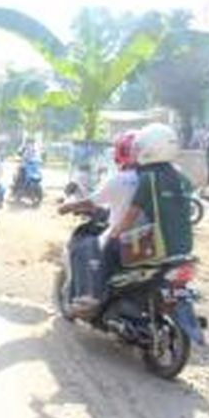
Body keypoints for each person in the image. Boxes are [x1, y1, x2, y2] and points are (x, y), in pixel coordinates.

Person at [58, 130, 140, 315]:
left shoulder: (121, 179)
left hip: (121, 234)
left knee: (82, 247)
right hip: (148, 236)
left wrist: (67, 207)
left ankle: (88, 296)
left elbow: (91, 202)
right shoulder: (153, 177)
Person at [115, 123, 194, 263]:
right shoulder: (184, 178)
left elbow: (129, 218)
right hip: (185, 248)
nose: (136, 151)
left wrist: (112, 236)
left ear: (151, 149)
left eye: (139, 147)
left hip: (158, 250)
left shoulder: (149, 178)